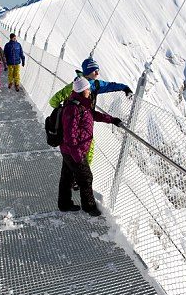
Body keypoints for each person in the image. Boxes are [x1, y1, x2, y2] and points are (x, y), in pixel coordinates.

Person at [49, 56, 132, 165]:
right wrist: (65, 112)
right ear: (88, 72)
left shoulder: (94, 84)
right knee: (81, 145)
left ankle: (79, 170)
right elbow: (54, 100)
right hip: (76, 120)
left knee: (83, 146)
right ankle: (82, 170)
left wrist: (124, 87)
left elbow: (109, 86)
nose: (97, 73)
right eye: (95, 70)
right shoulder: (76, 86)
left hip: (86, 119)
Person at [59, 76, 122, 216]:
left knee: (67, 176)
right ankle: (89, 207)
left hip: (70, 150)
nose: (89, 90)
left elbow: (94, 115)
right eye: (87, 88)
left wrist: (112, 120)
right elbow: (70, 135)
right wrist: (78, 156)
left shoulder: (82, 104)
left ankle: (64, 204)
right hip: (74, 151)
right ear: (82, 90)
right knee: (86, 177)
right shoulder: (73, 108)